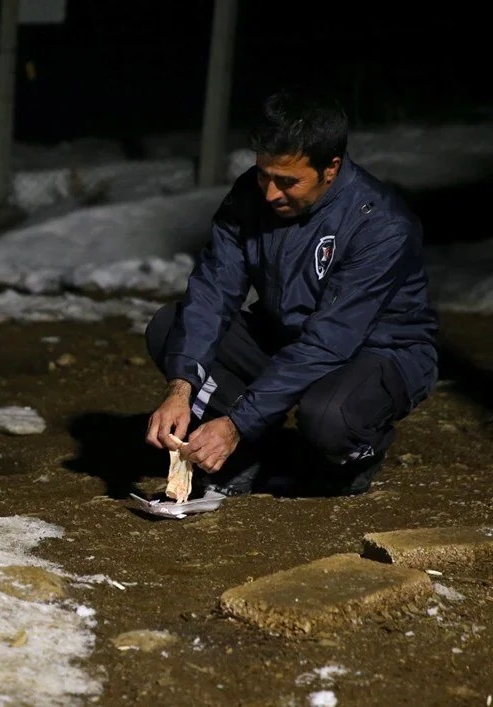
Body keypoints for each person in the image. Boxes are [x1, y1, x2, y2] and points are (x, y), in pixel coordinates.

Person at [144, 87, 439, 498]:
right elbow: (213, 289)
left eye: (287, 181)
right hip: (288, 336)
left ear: (331, 168)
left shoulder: (381, 224)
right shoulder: (252, 195)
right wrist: (181, 387)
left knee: (329, 418)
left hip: (375, 353)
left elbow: (330, 341)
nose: (269, 192)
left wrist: (237, 423)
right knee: (170, 328)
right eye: (264, 173)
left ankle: (352, 458)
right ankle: (247, 454)